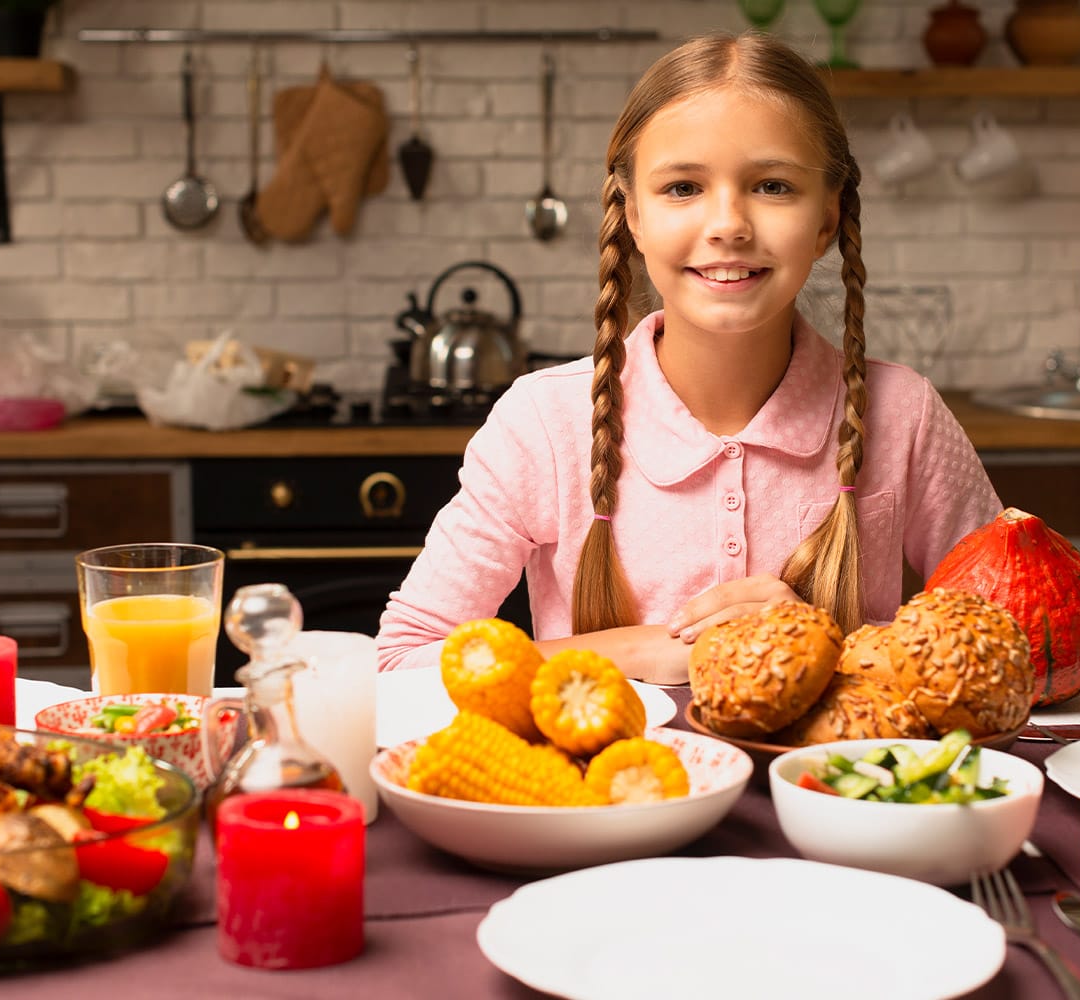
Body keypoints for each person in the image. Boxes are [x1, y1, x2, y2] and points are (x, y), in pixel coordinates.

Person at [376, 31, 1000, 683]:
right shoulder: (542, 424)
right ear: (633, 216)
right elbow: (402, 662)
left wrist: (815, 647)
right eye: (682, 188)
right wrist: (636, 652)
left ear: (825, 220)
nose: (728, 223)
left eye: (772, 185)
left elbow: (1012, 652)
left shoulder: (904, 416)